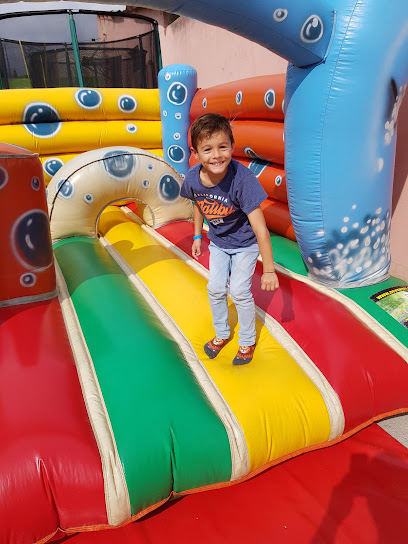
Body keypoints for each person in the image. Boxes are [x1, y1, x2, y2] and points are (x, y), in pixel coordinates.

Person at [180, 113, 279, 365]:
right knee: (214, 288)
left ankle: (246, 340)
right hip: (219, 243)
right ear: (196, 152)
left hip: (245, 244)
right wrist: (196, 235)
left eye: (223, 147)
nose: (216, 155)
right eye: (207, 149)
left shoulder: (241, 179)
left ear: (232, 146)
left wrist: (268, 270)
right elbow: (198, 203)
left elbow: (261, 229)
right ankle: (223, 333)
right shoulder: (193, 178)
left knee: (238, 291)